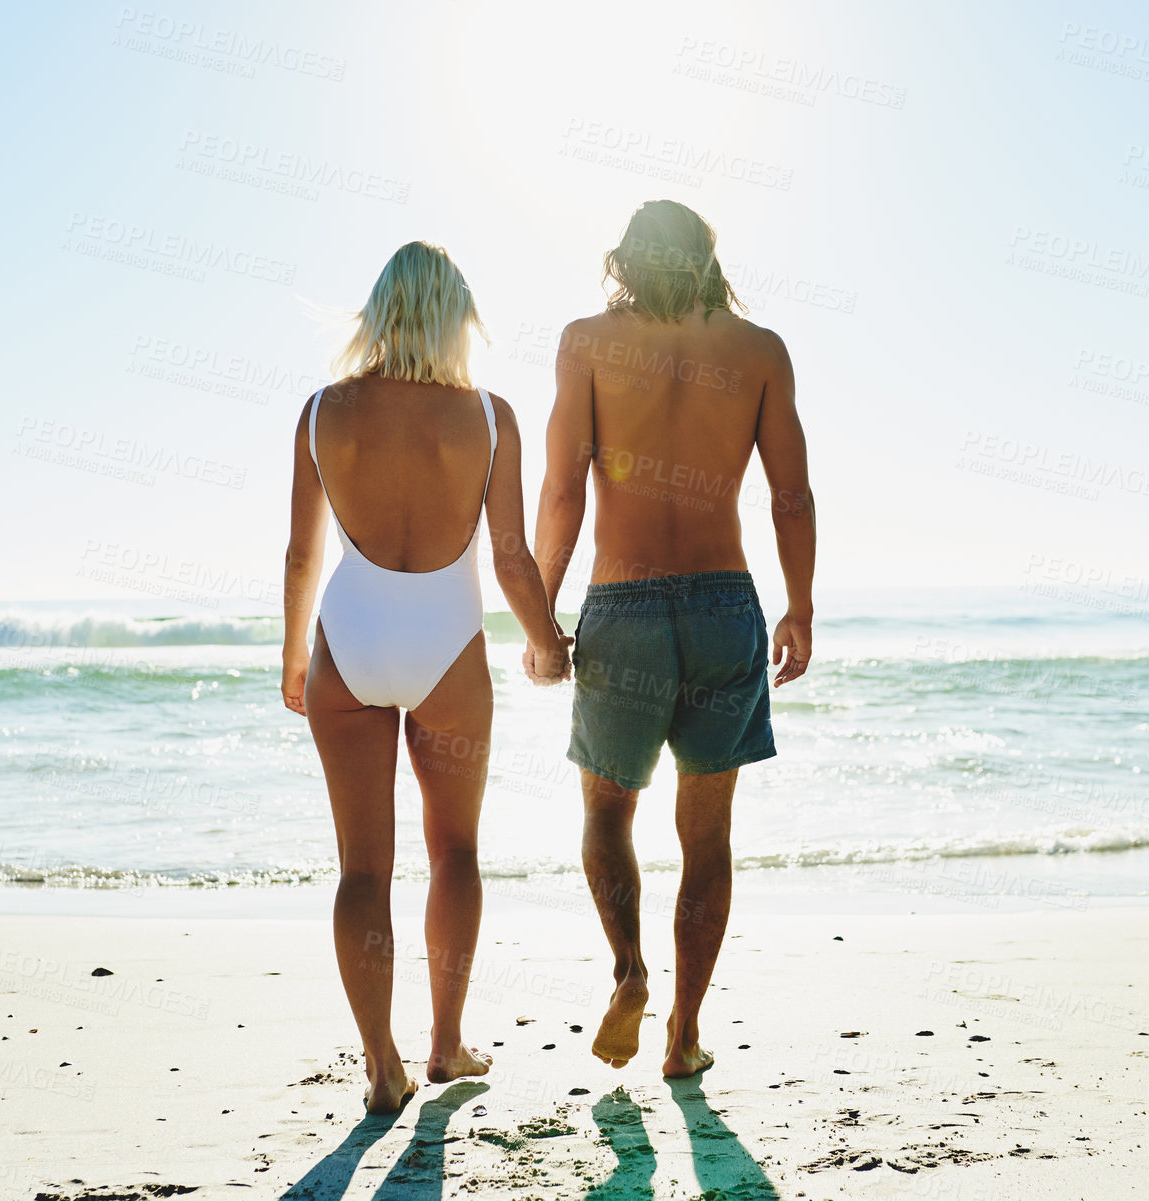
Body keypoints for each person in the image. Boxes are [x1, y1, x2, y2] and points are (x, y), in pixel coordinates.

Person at [281, 241, 572, 1113]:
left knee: (361, 871)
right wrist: (547, 642)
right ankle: (446, 1043)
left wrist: (293, 653)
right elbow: (514, 558)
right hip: (447, 643)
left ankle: (381, 1064)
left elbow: (300, 551)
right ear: (455, 316)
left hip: (350, 633)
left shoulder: (323, 411)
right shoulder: (488, 417)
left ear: (382, 310)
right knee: (455, 853)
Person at [527, 200, 816, 1078]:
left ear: (624, 259)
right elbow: (790, 495)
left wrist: (541, 621)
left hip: (623, 603)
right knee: (707, 834)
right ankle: (684, 1032)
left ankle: (628, 972)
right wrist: (799, 606)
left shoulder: (586, 343)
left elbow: (563, 492)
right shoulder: (759, 349)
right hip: (725, 605)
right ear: (707, 259)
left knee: (606, 811)